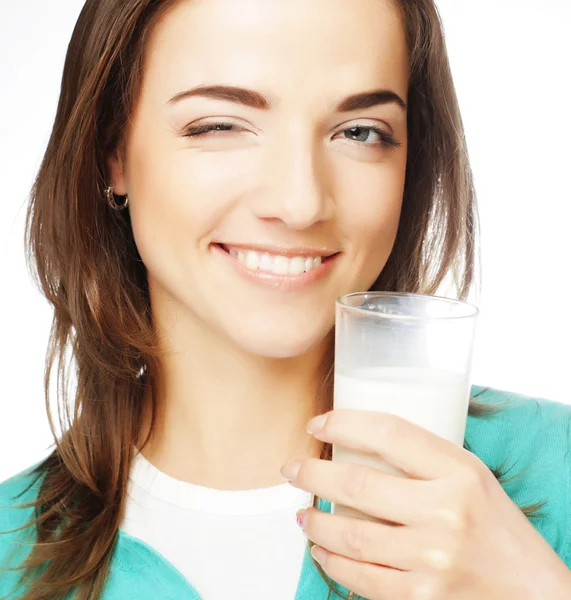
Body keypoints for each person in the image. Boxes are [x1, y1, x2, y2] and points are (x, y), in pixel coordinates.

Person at [0, 0, 570, 598]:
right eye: (220, 125)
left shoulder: (554, 473)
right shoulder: (12, 556)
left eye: (359, 132)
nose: (300, 203)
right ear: (112, 152)